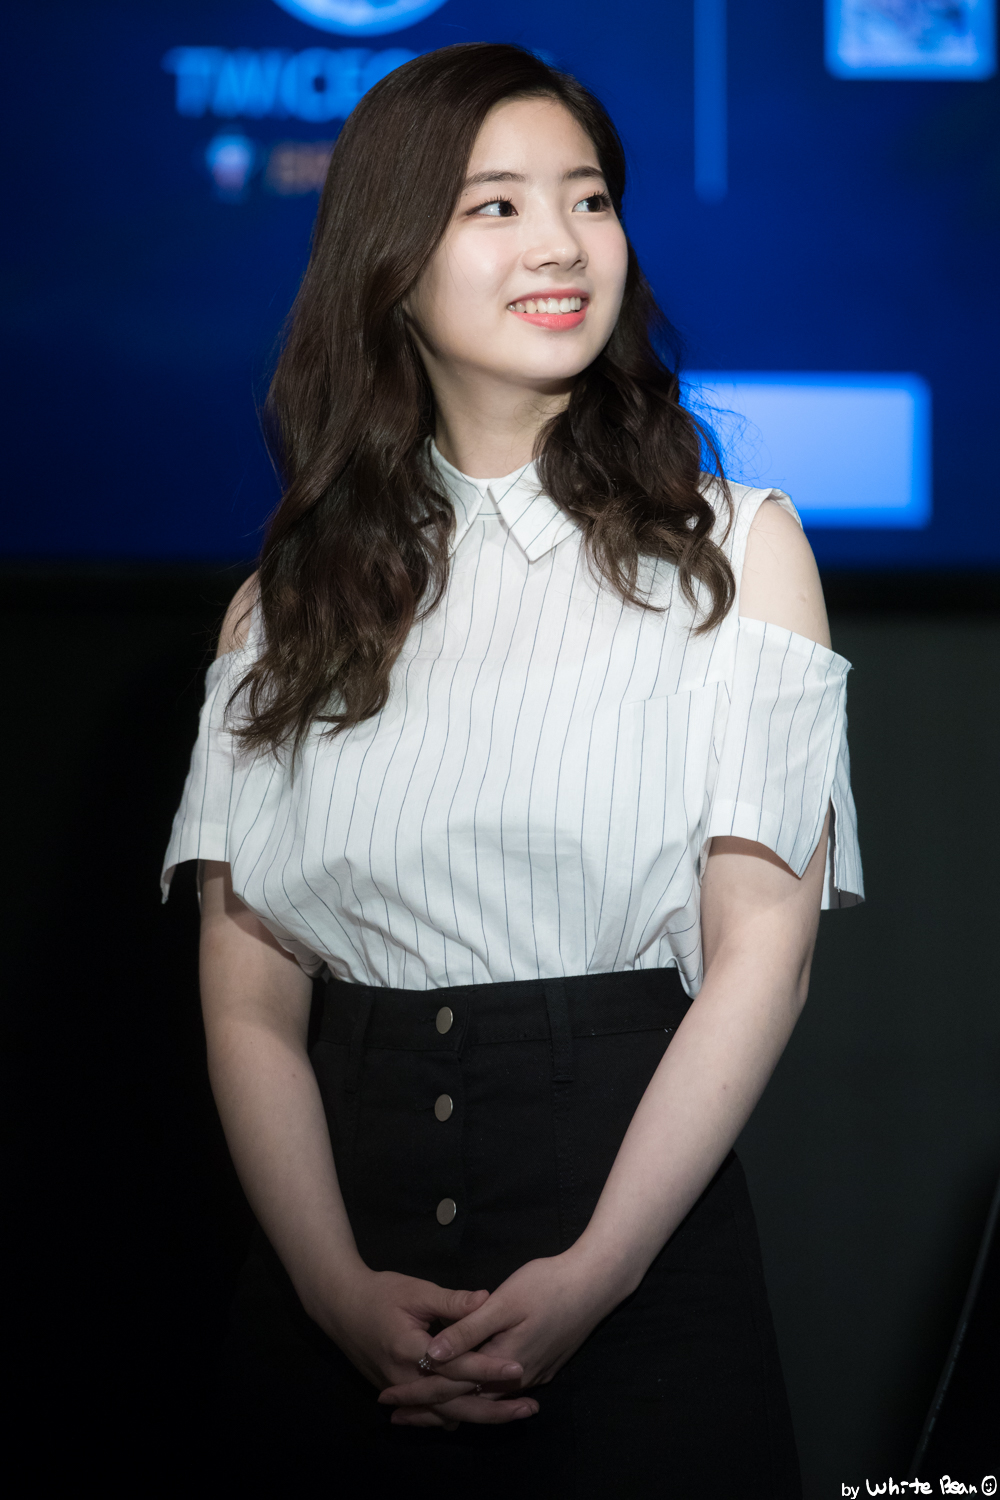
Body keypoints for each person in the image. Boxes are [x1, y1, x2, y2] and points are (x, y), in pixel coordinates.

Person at [162, 42, 862, 1498]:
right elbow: (248, 1000)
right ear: (390, 261)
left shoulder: (740, 551)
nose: (562, 243)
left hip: (636, 1269)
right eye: (496, 205)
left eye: (589, 198)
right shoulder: (283, 605)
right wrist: (332, 1290)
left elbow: (763, 960)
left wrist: (595, 1275)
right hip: (334, 1291)